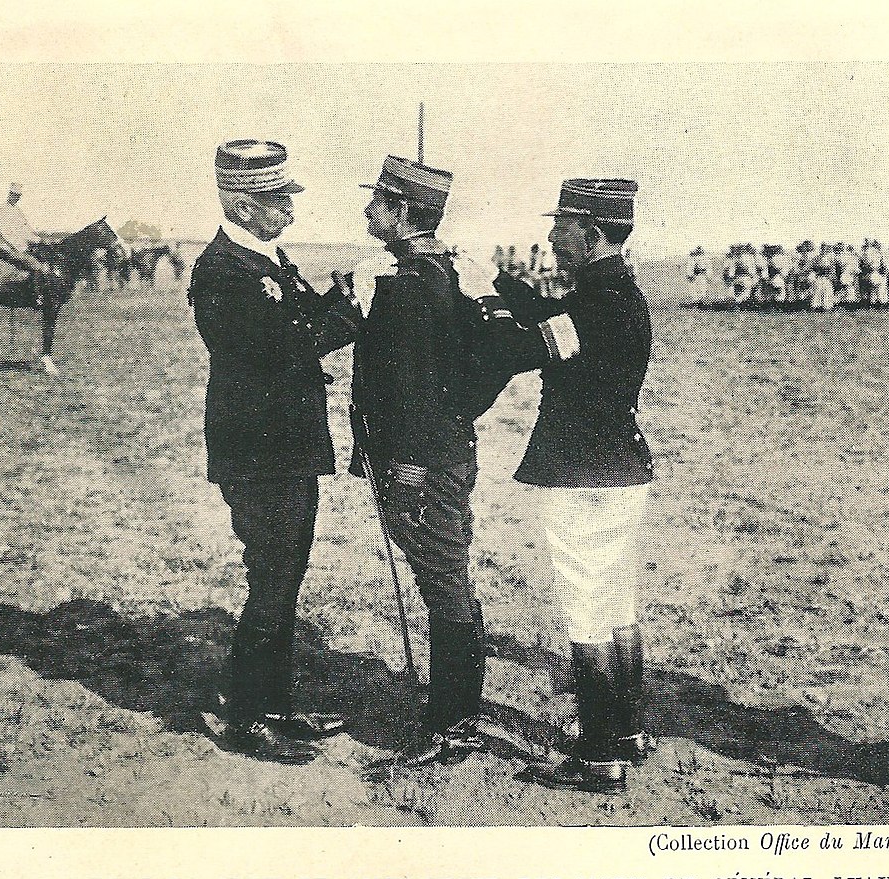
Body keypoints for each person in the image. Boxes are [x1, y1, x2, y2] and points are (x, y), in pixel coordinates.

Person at [349, 154, 523, 768]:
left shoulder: (420, 284)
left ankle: (455, 722)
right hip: (423, 456)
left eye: (377, 202)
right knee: (442, 578)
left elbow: (457, 372)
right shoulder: (428, 275)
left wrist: (423, 449)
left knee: (444, 583)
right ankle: (454, 711)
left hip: (422, 462)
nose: (367, 210)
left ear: (401, 213)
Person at [188, 140, 355, 764]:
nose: (288, 210)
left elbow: (301, 319)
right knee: (273, 575)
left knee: (286, 573)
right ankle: (246, 714)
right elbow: (280, 346)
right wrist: (343, 316)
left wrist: (334, 304)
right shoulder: (224, 271)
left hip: (285, 445)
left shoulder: (265, 259)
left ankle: (275, 705)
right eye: (276, 200)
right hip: (258, 450)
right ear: (241, 203)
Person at [493, 178, 656, 794]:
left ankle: (599, 752)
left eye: (562, 227)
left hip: (577, 474)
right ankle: (629, 731)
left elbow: (532, 346)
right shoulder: (615, 292)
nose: (552, 237)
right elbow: (558, 324)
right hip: (620, 469)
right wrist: (514, 292)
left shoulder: (597, 300)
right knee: (617, 602)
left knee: (586, 609)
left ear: (592, 234)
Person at [0, 182, 50, 293]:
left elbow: (26, 230)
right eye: (13, 195)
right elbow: (6, 233)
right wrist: (23, 247)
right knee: (33, 263)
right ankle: (36, 294)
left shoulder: (17, 210)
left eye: (18, 196)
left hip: (20, 246)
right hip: (7, 246)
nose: (15, 198)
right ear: (9, 194)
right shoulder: (3, 210)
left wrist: (38, 240)